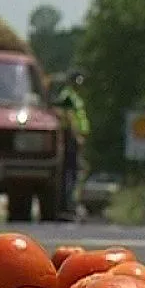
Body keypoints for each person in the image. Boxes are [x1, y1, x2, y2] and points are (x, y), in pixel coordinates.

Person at [55, 68, 90, 218]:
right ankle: (67, 205)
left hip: (74, 138)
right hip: (71, 138)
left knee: (73, 172)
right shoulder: (68, 96)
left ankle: (69, 204)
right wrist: (77, 137)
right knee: (70, 172)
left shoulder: (73, 96)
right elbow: (69, 117)